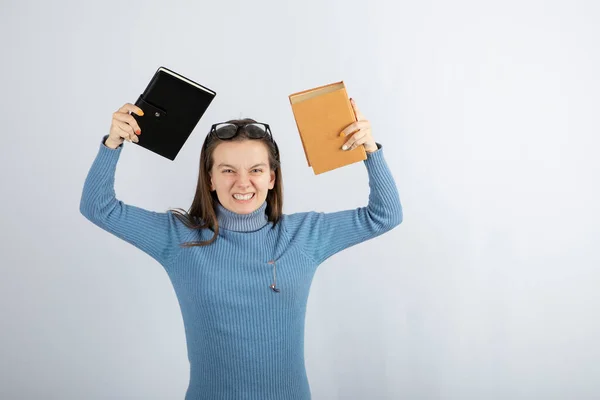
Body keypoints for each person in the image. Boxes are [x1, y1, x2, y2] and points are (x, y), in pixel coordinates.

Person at [80, 98, 403, 400]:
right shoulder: (179, 237)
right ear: (210, 179)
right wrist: (113, 144)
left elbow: (384, 215)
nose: (243, 182)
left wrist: (370, 150)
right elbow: (99, 208)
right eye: (228, 170)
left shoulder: (304, 235)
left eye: (256, 170)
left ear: (272, 178)